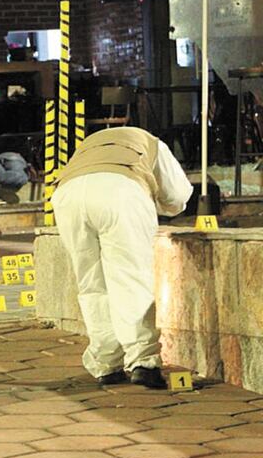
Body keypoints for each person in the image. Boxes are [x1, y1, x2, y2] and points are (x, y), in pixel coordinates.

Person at [51, 126, 193, 389]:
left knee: (92, 283)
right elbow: (177, 195)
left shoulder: (91, 143)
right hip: (119, 192)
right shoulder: (153, 142)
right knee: (130, 278)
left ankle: (106, 364)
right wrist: (164, 206)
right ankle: (144, 363)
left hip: (67, 196)